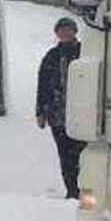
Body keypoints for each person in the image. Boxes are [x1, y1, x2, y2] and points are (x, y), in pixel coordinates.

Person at [36, 17, 86, 200]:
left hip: (82, 112)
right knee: (65, 155)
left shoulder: (84, 52)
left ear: (75, 32)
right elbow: (42, 85)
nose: (65, 33)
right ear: (56, 33)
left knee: (83, 154)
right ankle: (72, 190)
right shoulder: (51, 56)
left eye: (69, 29)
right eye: (61, 30)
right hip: (57, 115)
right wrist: (40, 112)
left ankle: (84, 188)